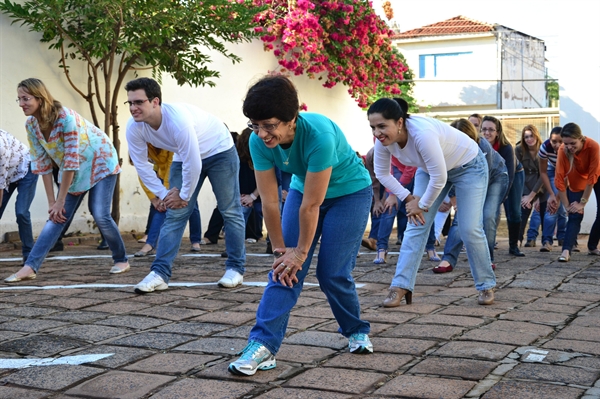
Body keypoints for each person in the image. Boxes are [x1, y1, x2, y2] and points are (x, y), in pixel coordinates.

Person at [228, 75, 373, 376]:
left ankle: (356, 329)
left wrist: (301, 252)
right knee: (284, 270)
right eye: (255, 124)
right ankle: (262, 345)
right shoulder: (258, 141)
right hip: (302, 190)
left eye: (269, 125)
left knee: (331, 272)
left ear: (291, 118)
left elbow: (312, 206)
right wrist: (283, 250)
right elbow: (268, 202)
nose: (262, 133)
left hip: (350, 193)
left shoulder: (319, 134)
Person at [370, 98, 495, 307]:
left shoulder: (422, 134)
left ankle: (486, 285)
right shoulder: (382, 142)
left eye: (382, 126)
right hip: (431, 171)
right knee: (415, 225)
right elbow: (382, 174)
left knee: (469, 228)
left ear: (399, 122)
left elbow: (440, 178)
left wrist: (422, 204)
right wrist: (409, 199)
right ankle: (400, 286)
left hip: (469, 166)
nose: (377, 133)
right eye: (373, 127)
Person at [125, 77, 246, 292]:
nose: (133, 108)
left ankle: (235, 269)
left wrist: (184, 195)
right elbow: (142, 166)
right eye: (130, 103)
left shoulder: (177, 121)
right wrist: (164, 194)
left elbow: (194, 163)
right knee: (175, 213)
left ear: (155, 102)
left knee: (230, 209)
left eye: (139, 102)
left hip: (219, 150)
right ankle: (159, 273)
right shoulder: (134, 127)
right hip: (186, 155)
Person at [5, 78, 129, 283]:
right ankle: (30, 267)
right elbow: (42, 164)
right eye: (19, 99)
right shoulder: (31, 125)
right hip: (75, 169)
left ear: (39, 98)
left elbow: (71, 160)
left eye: (25, 99)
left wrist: (61, 199)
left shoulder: (65, 118)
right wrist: (53, 201)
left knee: (100, 213)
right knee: (56, 217)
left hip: (101, 161)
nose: (21, 104)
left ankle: (121, 260)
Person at [434, 118, 508, 273]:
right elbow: (448, 175)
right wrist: (455, 199)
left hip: (494, 177)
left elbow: (481, 177)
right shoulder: (446, 147)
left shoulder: (482, 146)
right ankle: (448, 258)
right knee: (461, 215)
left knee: (487, 215)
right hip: (468, 179)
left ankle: (486, 260)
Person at [133, 145, 202, 257]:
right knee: (161, 208)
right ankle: (150, 244)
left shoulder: (167, 140)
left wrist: (164, 193)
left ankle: (196, 240)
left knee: (192, 205)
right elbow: (142, 173)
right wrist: (153, 198)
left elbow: (171, 166)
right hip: (162, 173)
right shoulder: (138, 144)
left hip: (184, 170)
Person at [550, 123, 600, 262]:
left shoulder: (593, 146)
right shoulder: (562, 150)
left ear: (581, 138)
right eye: (566, 144)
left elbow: (592, 178)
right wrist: (567, 206)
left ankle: (592, 246)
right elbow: (559, 179)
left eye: (573, 143)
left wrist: (583, 202)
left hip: (597, 174)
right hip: (577, 176)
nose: (569, 147)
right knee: (575, 214)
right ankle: (566, 250)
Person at [482, 116, 525, 256]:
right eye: (484, 129)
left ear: (498, 132)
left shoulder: (506, 148)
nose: (487, 133)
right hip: (493, 177)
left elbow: (510, 176)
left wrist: (502, 198)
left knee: (514, 211)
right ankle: (489, 248)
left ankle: (514, 246)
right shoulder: (479, 144)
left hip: (514, 175)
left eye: (491, 130)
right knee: (490, 214)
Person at [0, 129, 39, 264]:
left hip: (27, 167)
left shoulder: (1, 149)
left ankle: (29, 254)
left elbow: (0, 184)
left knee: (21, 212)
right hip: (8, 173)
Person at [516, 125, 547, 247]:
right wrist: (526, 196)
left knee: (545, 211)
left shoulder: (544, 149)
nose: (529, 139)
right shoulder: (519, 150)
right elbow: (517, 172)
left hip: (542, 185)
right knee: (523, 210)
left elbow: (543, 175)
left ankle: (546, 241)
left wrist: (534, 196)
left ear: (536, 135)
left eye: (531, 136)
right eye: (526, 137)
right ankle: (517, 240)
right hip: (525, 184)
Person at [538, 126, 567, 252]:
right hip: (551, 170)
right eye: (554, 141)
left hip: (567, 173)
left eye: (561, 141)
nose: (557, 145)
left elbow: (567, 176)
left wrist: (559, 197)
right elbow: (543, 172)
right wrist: (551, 195)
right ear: (549, 140)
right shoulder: (544, 148)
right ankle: (547, 241)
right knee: (552, 206)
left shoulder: (569, 149)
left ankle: (565, 238)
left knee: (564, 206)